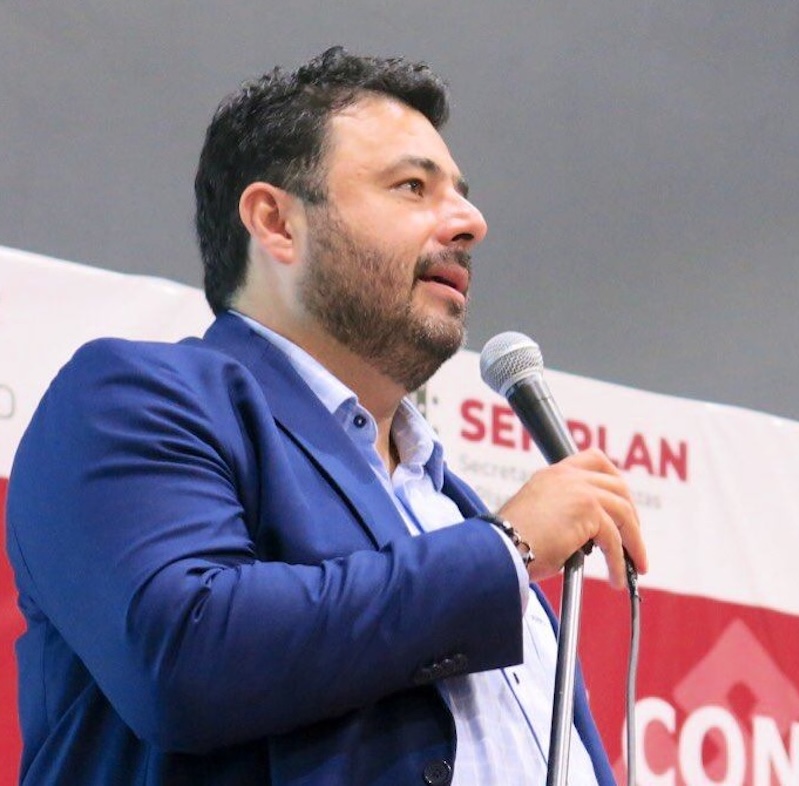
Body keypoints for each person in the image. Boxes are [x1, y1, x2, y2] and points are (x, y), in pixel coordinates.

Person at [6, 47, 648, 785]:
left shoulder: (449, 507)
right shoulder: (135, 397)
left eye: (462, 195)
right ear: (276, 222)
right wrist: (505, 550)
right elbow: (181, 652)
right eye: (412, 187)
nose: (471, 222)